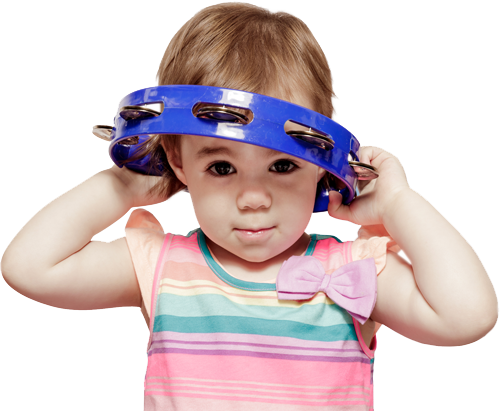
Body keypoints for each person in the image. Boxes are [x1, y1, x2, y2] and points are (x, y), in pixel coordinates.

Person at [1, 2, 498, 410]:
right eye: (221, 167)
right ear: (178, 160)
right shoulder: (162, 269)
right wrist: (126, 186)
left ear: (322, 167)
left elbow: (468, 316)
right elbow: (30, 267)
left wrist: (397, 203)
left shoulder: (353, 272)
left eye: (282, 167)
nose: (254, 198)